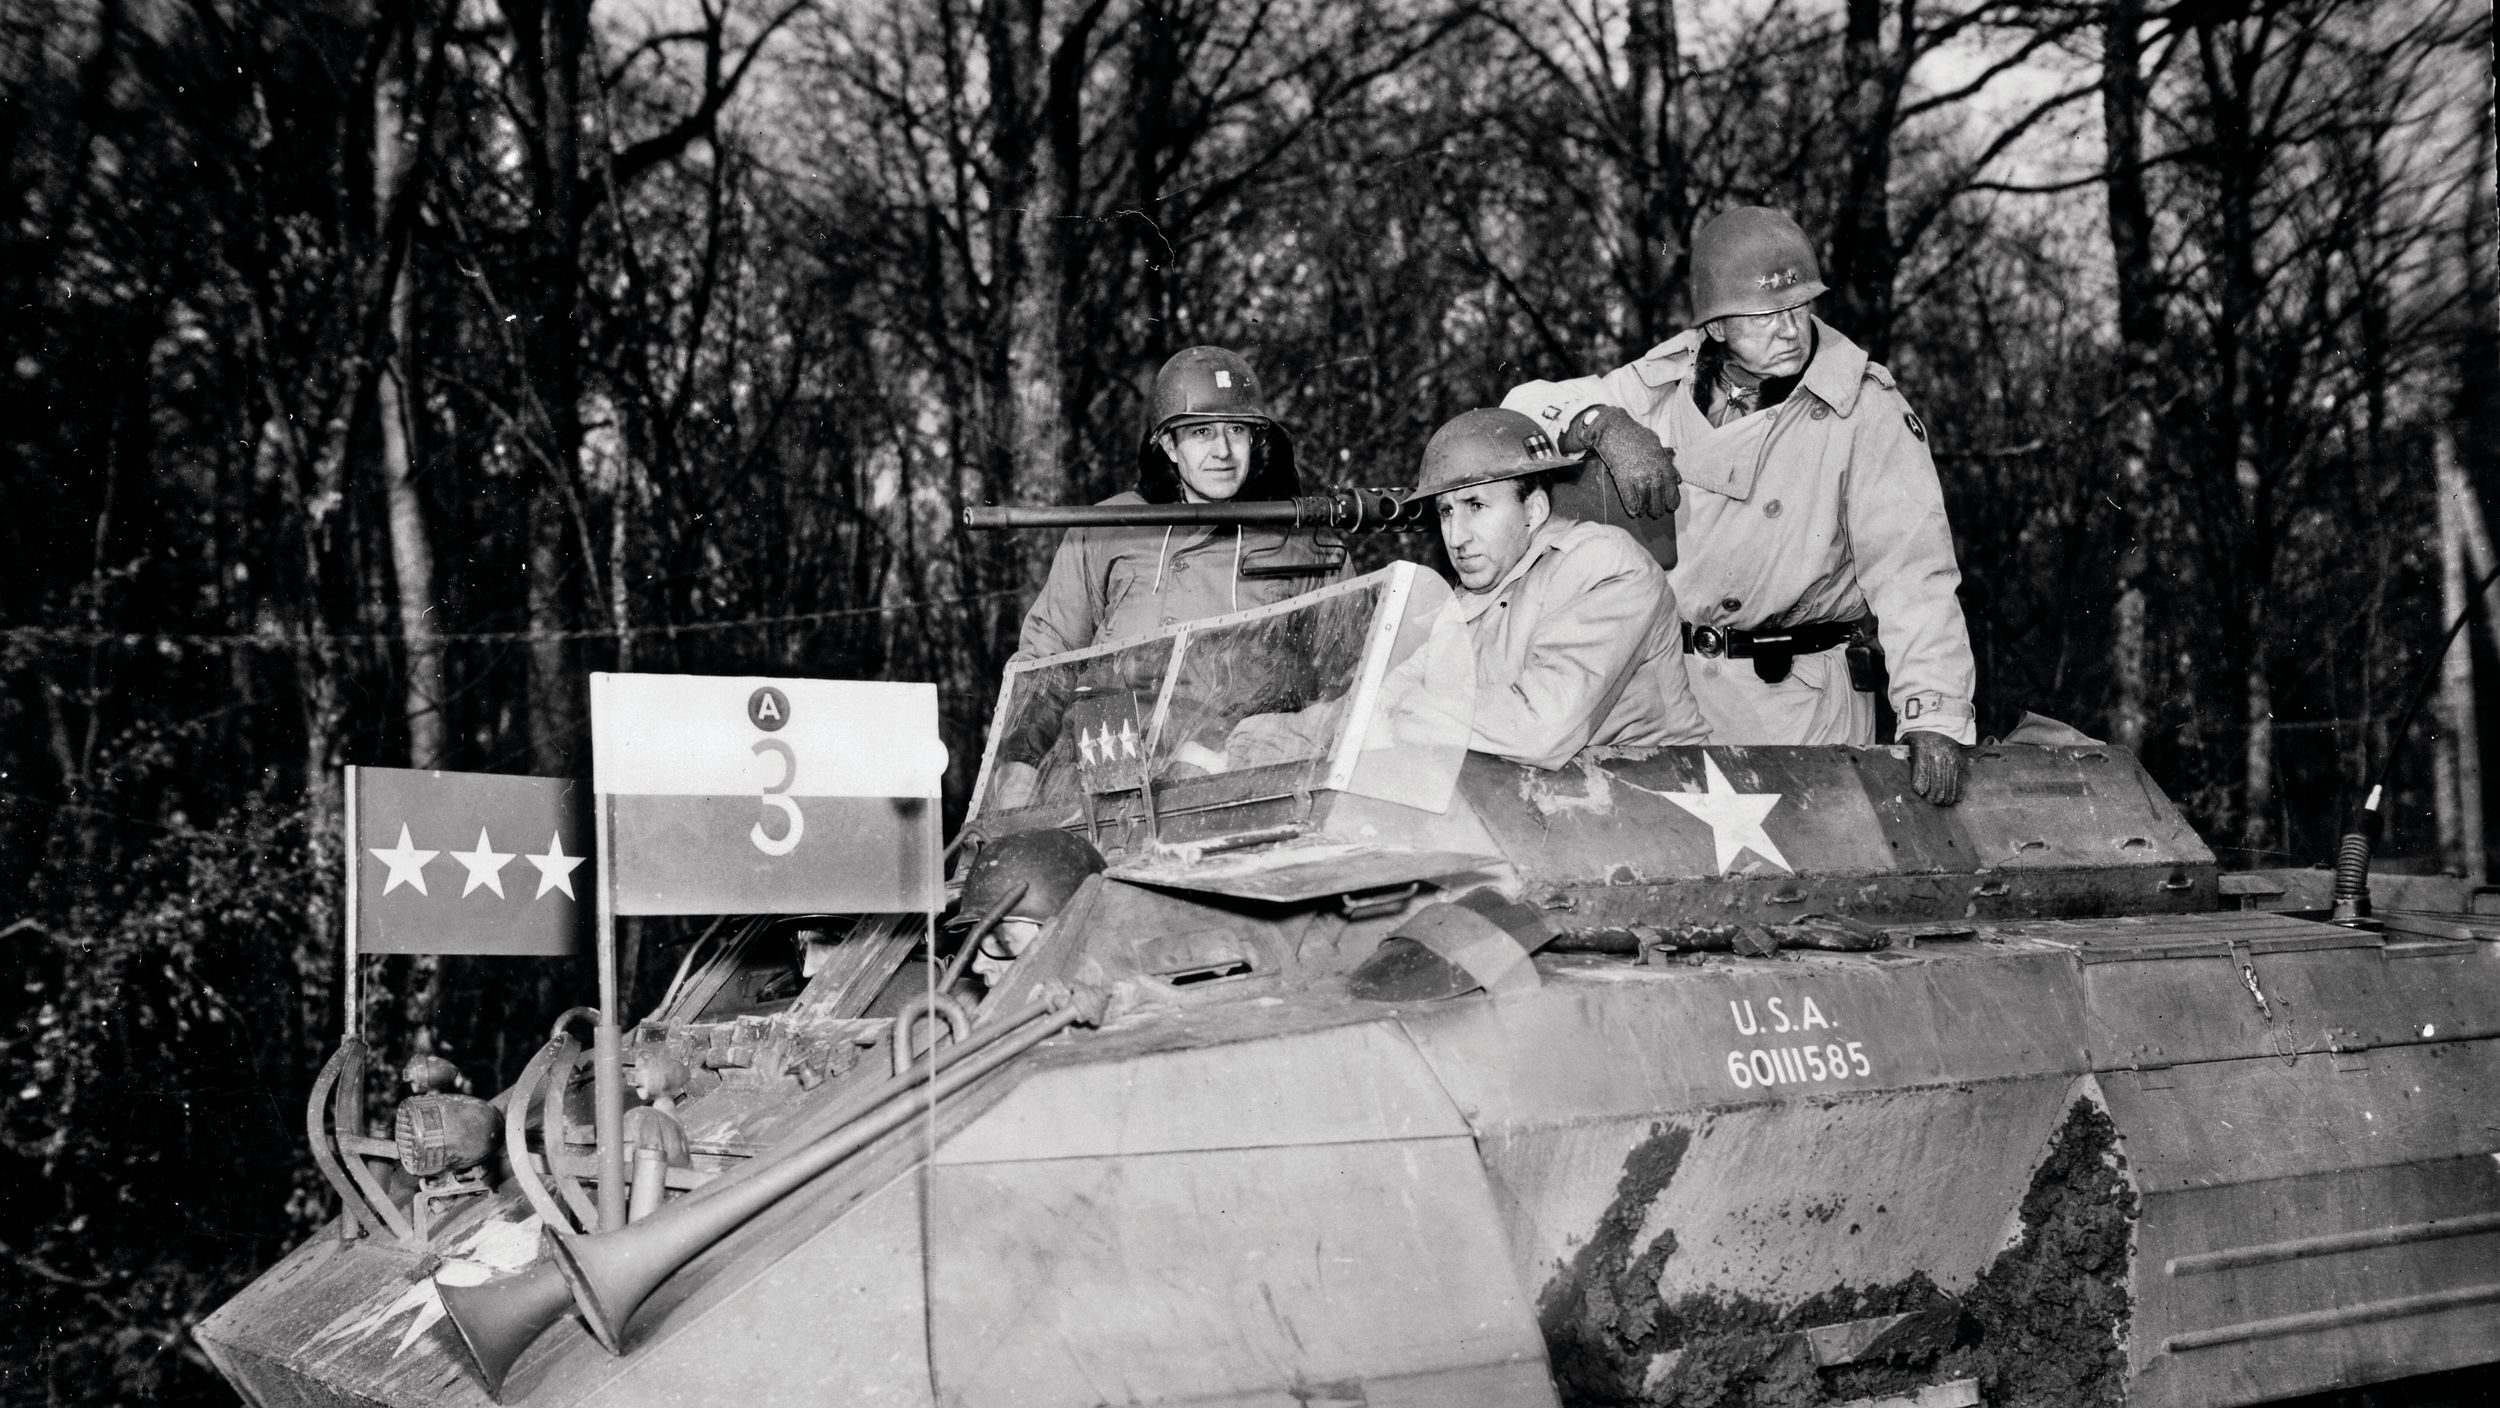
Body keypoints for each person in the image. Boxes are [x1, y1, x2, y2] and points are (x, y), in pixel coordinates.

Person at [1501, 206, 1978, 804]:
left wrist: (1933, 714)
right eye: (1767, 314)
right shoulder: (1666, 381)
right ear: (1718, 328)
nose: (1791, 330)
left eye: (1800, 307)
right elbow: (1519, 412)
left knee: (1806, 882)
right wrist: (1601, 424)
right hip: (1668, 689)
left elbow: (1915, 573)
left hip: (1797, 704)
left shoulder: (1863, 407)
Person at [992, 347, 1346, 808]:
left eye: (1235, 431)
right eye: (1201, 432)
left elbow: (1346, 684)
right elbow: (1048, 661)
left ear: (1256, 439)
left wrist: (1254, 744)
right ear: (1167, 444)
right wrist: (1017, 771)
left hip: (1234, 784)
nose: (1222, 451)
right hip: (1102, 765)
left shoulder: (1305, 542)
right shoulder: (1107, 527)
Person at [1417, 407, 1709, 768]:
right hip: (1562, 799)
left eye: (1476, 505)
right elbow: (1404, 681)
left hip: (1662, 796)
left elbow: (1540, 728)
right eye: (1445, 512)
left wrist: (1407, 709)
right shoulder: (1479, 588)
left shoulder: (1606, 566)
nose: (1456, 537)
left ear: (1534, 510)